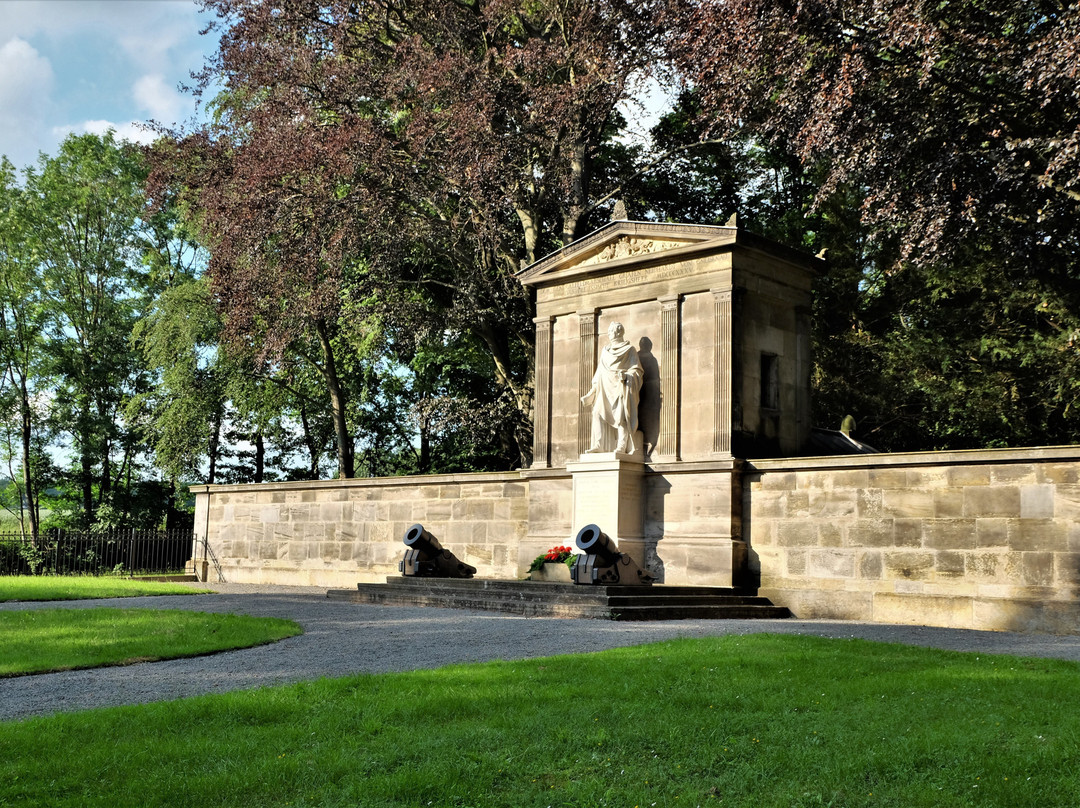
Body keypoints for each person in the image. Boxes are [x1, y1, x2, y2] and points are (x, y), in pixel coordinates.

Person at [581, 322, 643, 454]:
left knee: (621, 416)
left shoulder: (629, 350)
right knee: (596, 413)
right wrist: (591, 392)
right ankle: (598, 444)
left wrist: (627, 376)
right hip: (604, 389)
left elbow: (637, 371)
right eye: (609, 331)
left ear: (618, 332)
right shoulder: (605, 351)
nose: (609, 333)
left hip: (620, 387)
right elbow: (599, 373)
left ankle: (622, 445)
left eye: (611, 331)